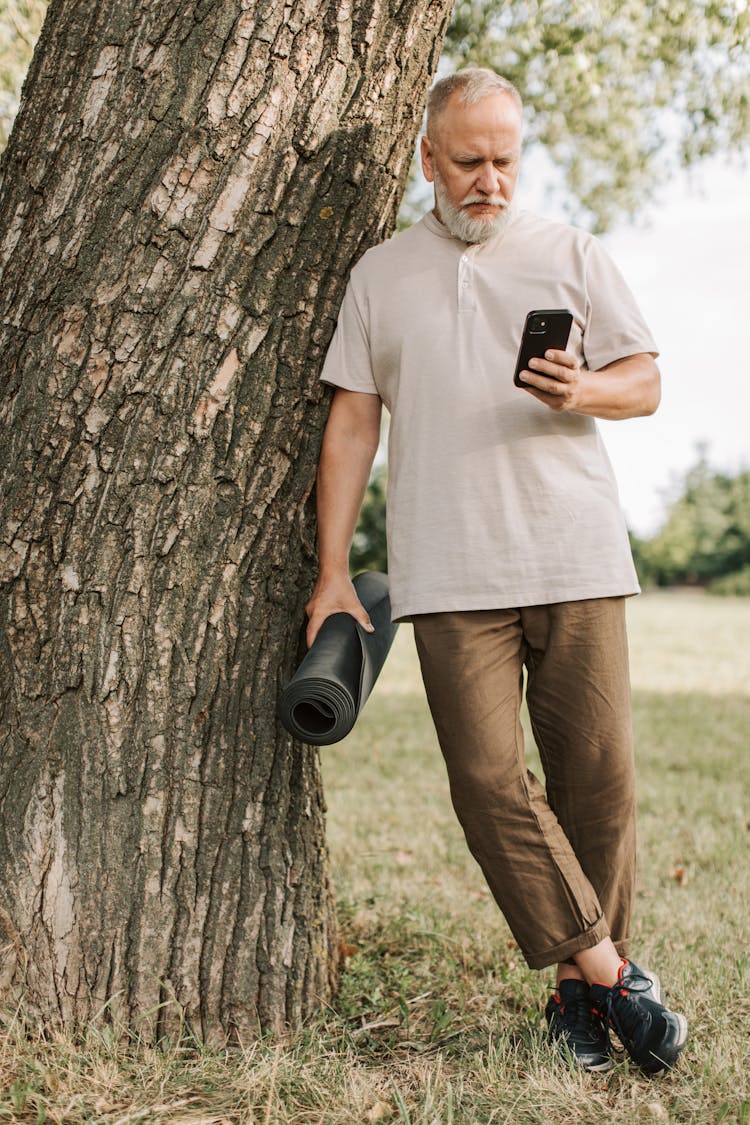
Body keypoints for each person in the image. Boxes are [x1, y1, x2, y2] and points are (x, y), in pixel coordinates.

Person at [305, 67, 688, 1074]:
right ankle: (611, 969)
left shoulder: (571, 255)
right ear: (428, 159)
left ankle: (577, 1001)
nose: (489, 181)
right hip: (447, 565)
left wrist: (586, 388)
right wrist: (332, 569)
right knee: (485, 779)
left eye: (505, 161)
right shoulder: (380, 276)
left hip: (573, 549)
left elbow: (645, 379)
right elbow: (352, 422)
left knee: (596, 782)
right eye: (468, 162)